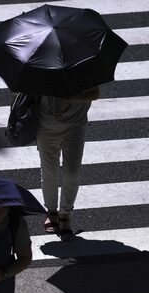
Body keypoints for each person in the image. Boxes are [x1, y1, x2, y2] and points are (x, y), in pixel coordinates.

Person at [37, 86, 100, 241]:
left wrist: (68, 98)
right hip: (46, 125)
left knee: (72, 172)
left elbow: (94, 93)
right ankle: (51, 212)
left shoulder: (84, 66)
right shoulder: (41, 65)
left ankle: (65, 214)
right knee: (49, 171)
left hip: (75, 126)